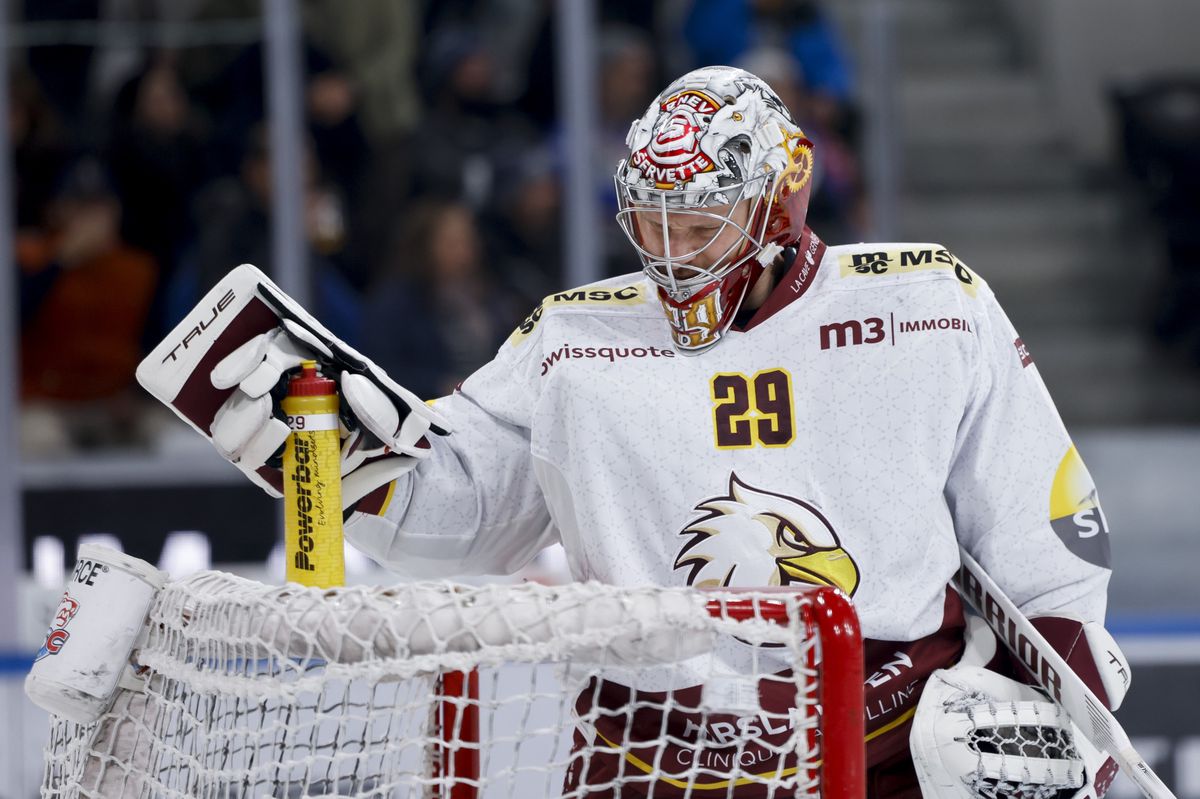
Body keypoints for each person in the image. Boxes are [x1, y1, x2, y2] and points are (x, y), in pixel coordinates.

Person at [149, 67, 1128, 798]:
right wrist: (326, 447)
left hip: (888, 747)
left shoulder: (928, 302)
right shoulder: (572, 338)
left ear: (782, 194)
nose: (670, 254)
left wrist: (1070, 717)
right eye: (650, 223)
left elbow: (1038, 537)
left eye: (699, 224)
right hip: (655, 754)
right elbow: (459, 518)